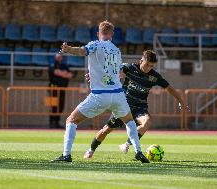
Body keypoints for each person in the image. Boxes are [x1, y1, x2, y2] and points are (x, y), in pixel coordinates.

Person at [51, 20, 149, 163]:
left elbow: (82, 51)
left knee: (71, 120)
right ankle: (138, 151)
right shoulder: (116, 50)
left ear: (98, 33)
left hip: (100, 95)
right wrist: (94, 75)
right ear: (112, 34)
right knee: (129, 121)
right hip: (118, 94)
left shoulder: (95, 44)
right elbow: (114, 72)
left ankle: (66, 155)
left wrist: (68, 49)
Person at [83, 50, 189, 159]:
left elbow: (169, 88)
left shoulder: (154, 76)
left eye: (151, 66)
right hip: (123, 107)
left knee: (147, 122)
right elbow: (111, 71)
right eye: (147, 64)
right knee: (106, 130)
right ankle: (91, 149)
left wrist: (181, 101)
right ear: (141, 60)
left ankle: (127, 144)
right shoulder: (129, 68)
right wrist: (95, 75)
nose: (148, 68)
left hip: (140, 108)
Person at [48, 53, 73, 129]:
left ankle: (57, 122)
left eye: (60, 57)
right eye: (58, 57)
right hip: (54, 89)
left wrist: (61, 73)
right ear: (55, 58)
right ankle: (52, 123)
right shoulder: (52, 65)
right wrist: (64, 73)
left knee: (60, 106)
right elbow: (55, 72)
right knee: (53, 106)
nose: (59, 59)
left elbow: (70, 75)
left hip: (62, 89)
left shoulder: (64, 66)